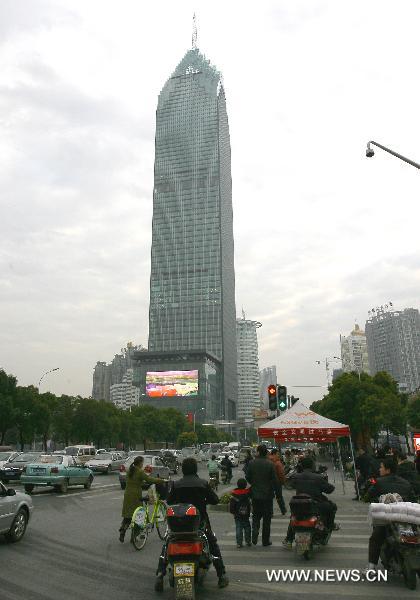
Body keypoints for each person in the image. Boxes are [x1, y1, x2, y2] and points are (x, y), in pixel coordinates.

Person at [155, 457, 228, 591]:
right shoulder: (202, 483)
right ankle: (221, 575)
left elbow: (169, 501)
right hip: (199, 524)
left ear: (183, 469)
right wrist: (204, 500)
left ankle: (160, 573)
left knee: (167, 545)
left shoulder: (176, 484)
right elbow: (215, 500)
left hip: (178, 525)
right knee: (212, 544)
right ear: (195, 469)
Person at [365, 456, 416, 573]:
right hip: (406, 518)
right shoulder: (406, 483)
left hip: (388, 519)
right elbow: (413, 500)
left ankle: (371, 567)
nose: (379, 470)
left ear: (388, 470)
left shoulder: (379, 482)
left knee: (375, 539)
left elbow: (368, 496)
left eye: (381, 467)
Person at [283, 456, 338, 548]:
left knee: (294, 517)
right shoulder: (318, 477)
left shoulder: (296, 476)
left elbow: (290, 484)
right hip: (316, 504)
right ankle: (330, 525)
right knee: (332, 507)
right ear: (312, 465)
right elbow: (329, 489)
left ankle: (289, 540)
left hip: (299, 504)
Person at [119, 455, 163, 542]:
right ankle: (134, 536)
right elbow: (149, 480)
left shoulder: (129, 470)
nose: (143, 465)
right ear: (139, 463)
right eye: (142, 463)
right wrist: (160, 480)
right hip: (136, 496)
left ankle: (122, 530)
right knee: (139, 515)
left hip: (127, 495)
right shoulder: (139, 472)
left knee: (128, 515)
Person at [245, 444, 280, 546]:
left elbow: (247, 476)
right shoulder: (270, 464)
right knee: (266, 519)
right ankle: (265, 541)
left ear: (258, 452)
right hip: (268, 496)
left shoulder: (252, 463)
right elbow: (275, 480)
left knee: (256, 516)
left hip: (255, 495)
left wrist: (254, 483)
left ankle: (254, 534)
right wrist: (277, 494)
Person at [229, 478, 252, 548]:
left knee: (238, 528)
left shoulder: (234, 494)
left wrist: (232, 512)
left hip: (237, 514)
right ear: (245, 485)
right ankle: (248, 541)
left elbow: (232, 505)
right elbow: (249, 503)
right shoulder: (247, 493)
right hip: (246, 514)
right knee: (247, 527)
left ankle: (239, 543)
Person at [269, 448, 287, 515]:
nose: (278, 455)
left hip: (269, 482)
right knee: (279, 496)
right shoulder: (277, 462)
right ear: (274, 454)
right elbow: (281, 473)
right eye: (278, 454)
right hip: (277, 482)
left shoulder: (268, 461)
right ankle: (283, 510)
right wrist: (283, 482)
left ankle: (270, 512)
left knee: (270, 497)